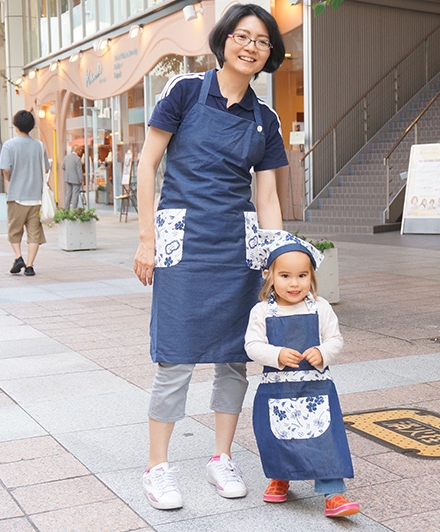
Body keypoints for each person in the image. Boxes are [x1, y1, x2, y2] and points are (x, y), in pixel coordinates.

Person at [131, 3, 287, 511]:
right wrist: (146, 240)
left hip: (236, 250)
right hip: (181, 244)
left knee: (234, 359)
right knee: (174, 358)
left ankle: (220, 457)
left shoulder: (265, 117)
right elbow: (148, 165)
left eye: (262, 42)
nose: (250, 47)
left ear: (269, 55)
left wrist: (277, 257)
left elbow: (266, 198)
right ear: (224, 40)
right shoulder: (183, 91)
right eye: (242, 36)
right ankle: (158, 467)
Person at [244, 231, 359, 518]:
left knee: (325, 439)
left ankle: (333, 492)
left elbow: (336, 340)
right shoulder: (261, 312)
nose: (294, 283)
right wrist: (276, 354)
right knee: (277, 437)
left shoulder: (320, 308)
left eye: (302, 275)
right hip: (277, 390)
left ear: (312, 277)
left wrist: (323, 352)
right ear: (270, 276)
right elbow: (252, 345)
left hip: (316, 388)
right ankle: (280, 477)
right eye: (285, 276)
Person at [0, 110, 50, 277]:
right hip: (36, 197)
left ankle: (18, 256)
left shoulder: (9, 145)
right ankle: (29, 265)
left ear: (15, 126)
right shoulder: (40, 146)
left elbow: (5, 169)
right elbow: (46, 169)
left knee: (14, 230)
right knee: (34, 232)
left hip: (16, 195)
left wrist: (10, 178)